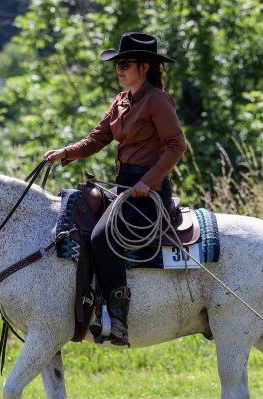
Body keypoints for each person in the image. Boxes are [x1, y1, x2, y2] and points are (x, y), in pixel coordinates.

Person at [44, 32, 188, 347]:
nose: (119, 69)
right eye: (117, 64)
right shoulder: (121, 102)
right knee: (78, 213)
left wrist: (148, 181)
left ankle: (119, 318)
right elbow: (97, 139)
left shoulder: (157, 101)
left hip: (148, 194)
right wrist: (64, 153)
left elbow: (177, 145)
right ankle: (90, 306)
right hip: (125, 188)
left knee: (100, 237)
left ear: (145, 67)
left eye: (125, 63)